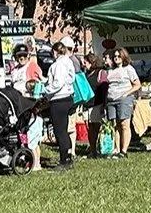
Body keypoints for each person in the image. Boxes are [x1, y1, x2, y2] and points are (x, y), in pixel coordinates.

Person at [44, 40, 76, 170]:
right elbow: (70, 79)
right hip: (67, 97)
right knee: (64, 130)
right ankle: (68, 156)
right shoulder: (69, 62)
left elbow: (57, 83)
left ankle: (64, 160)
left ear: (55, 52)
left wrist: (45, 91)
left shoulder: (58, 65)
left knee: (60, 131)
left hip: (59, 99)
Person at [105, 47, 141, 159]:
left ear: (123, 57)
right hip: (111, 99)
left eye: (118, 56)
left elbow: (137, 84)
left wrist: (126, 93)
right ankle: (116, 149)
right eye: (114, 56)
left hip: (124, 99)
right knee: (115, 125)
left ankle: (124, 151)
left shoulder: (128, 69)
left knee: (125, 124)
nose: (116, 58)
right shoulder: (111, 70)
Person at [83, 52, 108, 158]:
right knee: (89, 127)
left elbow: (104, 89)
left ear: (91, 62)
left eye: (85, 62)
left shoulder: (100, 72)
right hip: (87, 104)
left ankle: (96, 148)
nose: (84, 64)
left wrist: (104, 104)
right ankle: (92, 149)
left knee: (96, 127)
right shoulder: (86, 74)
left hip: (97, 103)